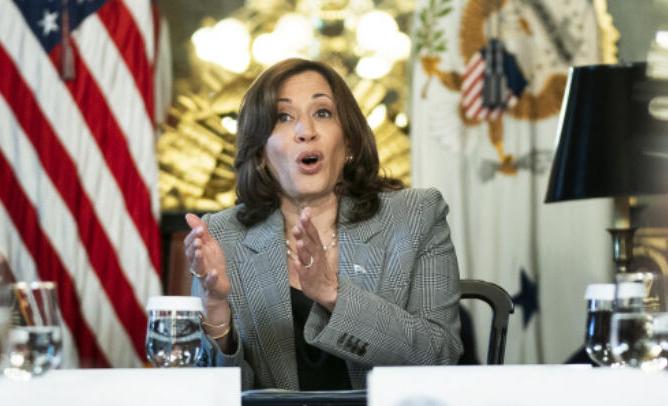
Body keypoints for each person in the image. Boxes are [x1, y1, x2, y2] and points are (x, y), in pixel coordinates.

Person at [184, 58, 463, 389]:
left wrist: (332, 293)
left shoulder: (416, 217)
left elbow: (441, 356)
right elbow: (215, 399)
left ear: (348, 141)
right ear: (261, 153)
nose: (306, 131)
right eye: (283, 117)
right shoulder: (222, 236)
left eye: (322, 113)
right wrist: (215, 309)